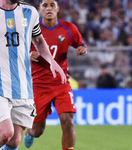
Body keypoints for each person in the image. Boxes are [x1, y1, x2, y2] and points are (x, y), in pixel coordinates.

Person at [0, 0, 67, 150]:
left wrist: (51, 61)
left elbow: (38, 39)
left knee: (14, 141)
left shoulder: (30, 12)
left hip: (22, 86)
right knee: (4, 134)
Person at [23, 0, 87, 150]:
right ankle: (30, 133)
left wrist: (82, 49)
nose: (49, 8)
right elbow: (15, 51)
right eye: (45, 5)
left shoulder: (69, 28)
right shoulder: (30, 29)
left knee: (68, 121)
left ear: (58, 8)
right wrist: (27, 54)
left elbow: (81, 44)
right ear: (39, 9)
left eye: (52, 5)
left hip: (61, 83)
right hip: (39, 85)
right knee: (37, 131)